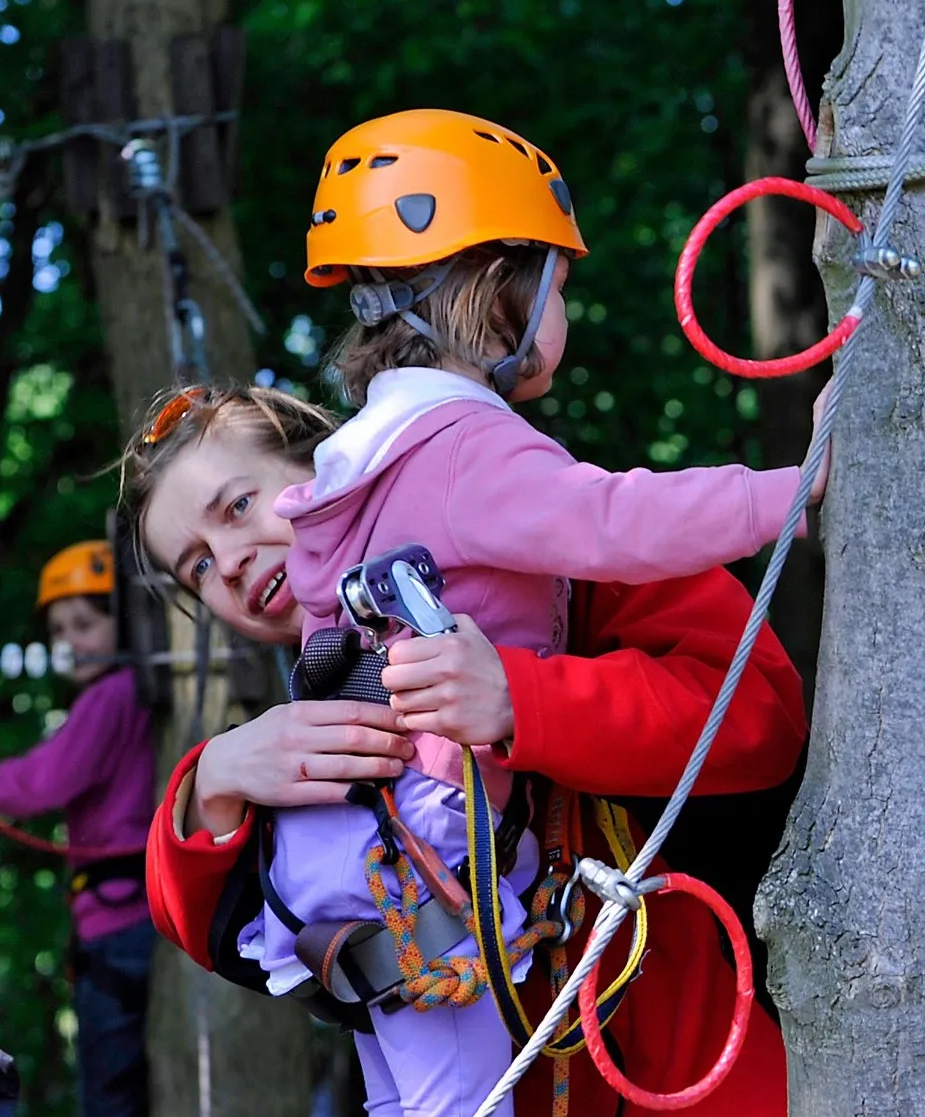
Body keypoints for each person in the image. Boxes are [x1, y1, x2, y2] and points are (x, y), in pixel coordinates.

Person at [128, 382, 805, 1116]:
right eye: (195, 566)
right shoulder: (310, 703)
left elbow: (759, 714)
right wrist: (214, 783)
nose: (226, 563)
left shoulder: (556, 532)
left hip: (685, 1062)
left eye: (237, 506)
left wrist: (521, 698)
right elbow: (209, 928)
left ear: (319, 467)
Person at [0, 541, 156, 1117]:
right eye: (60, 630)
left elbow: (43, 782)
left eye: (86, 624)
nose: (71, 642)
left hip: (121, 925)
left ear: (126, 620)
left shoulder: (109, 696)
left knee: (109, 1097)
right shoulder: (123, 694)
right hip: (128, 918)